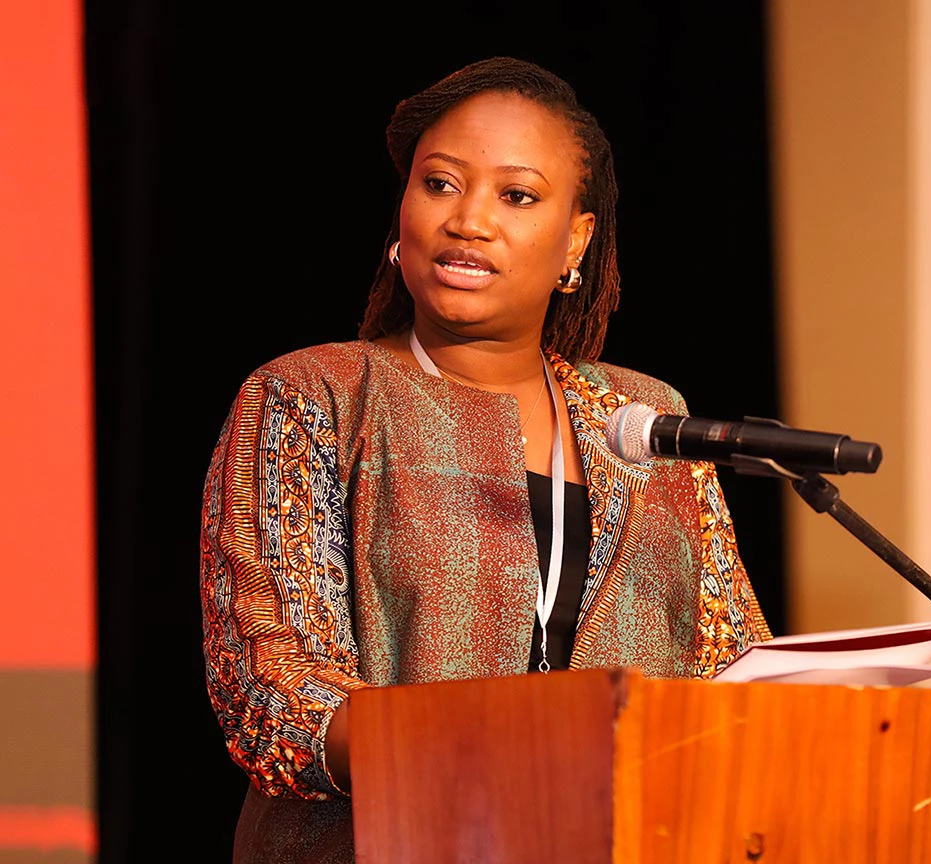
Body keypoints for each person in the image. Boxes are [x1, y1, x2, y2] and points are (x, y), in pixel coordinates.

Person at [198, 56, 774, 863]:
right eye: (439, 184)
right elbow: (273, 692)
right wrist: (504, 742)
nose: (468, 219)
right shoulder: (314, 396)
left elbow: (729, 660)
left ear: (577, 237)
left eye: (517, 195)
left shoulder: (648, 420)